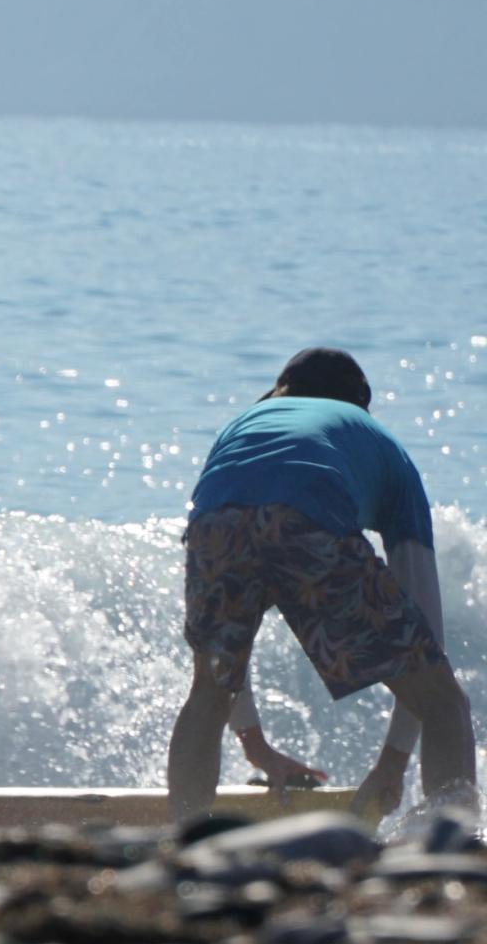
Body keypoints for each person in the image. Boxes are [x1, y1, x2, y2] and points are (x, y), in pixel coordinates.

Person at [169, 347, 474, 822]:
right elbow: (426, 638)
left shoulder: (244, 425)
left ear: (280, 391)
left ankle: (183, 842)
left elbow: (226, 662)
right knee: (444, 704)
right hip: (306, 518)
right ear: (358, 406)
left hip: (214, 521)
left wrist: (255, 746)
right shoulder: (379, 444)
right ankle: (452, 844)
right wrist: (392, 764)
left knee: (208, 692)